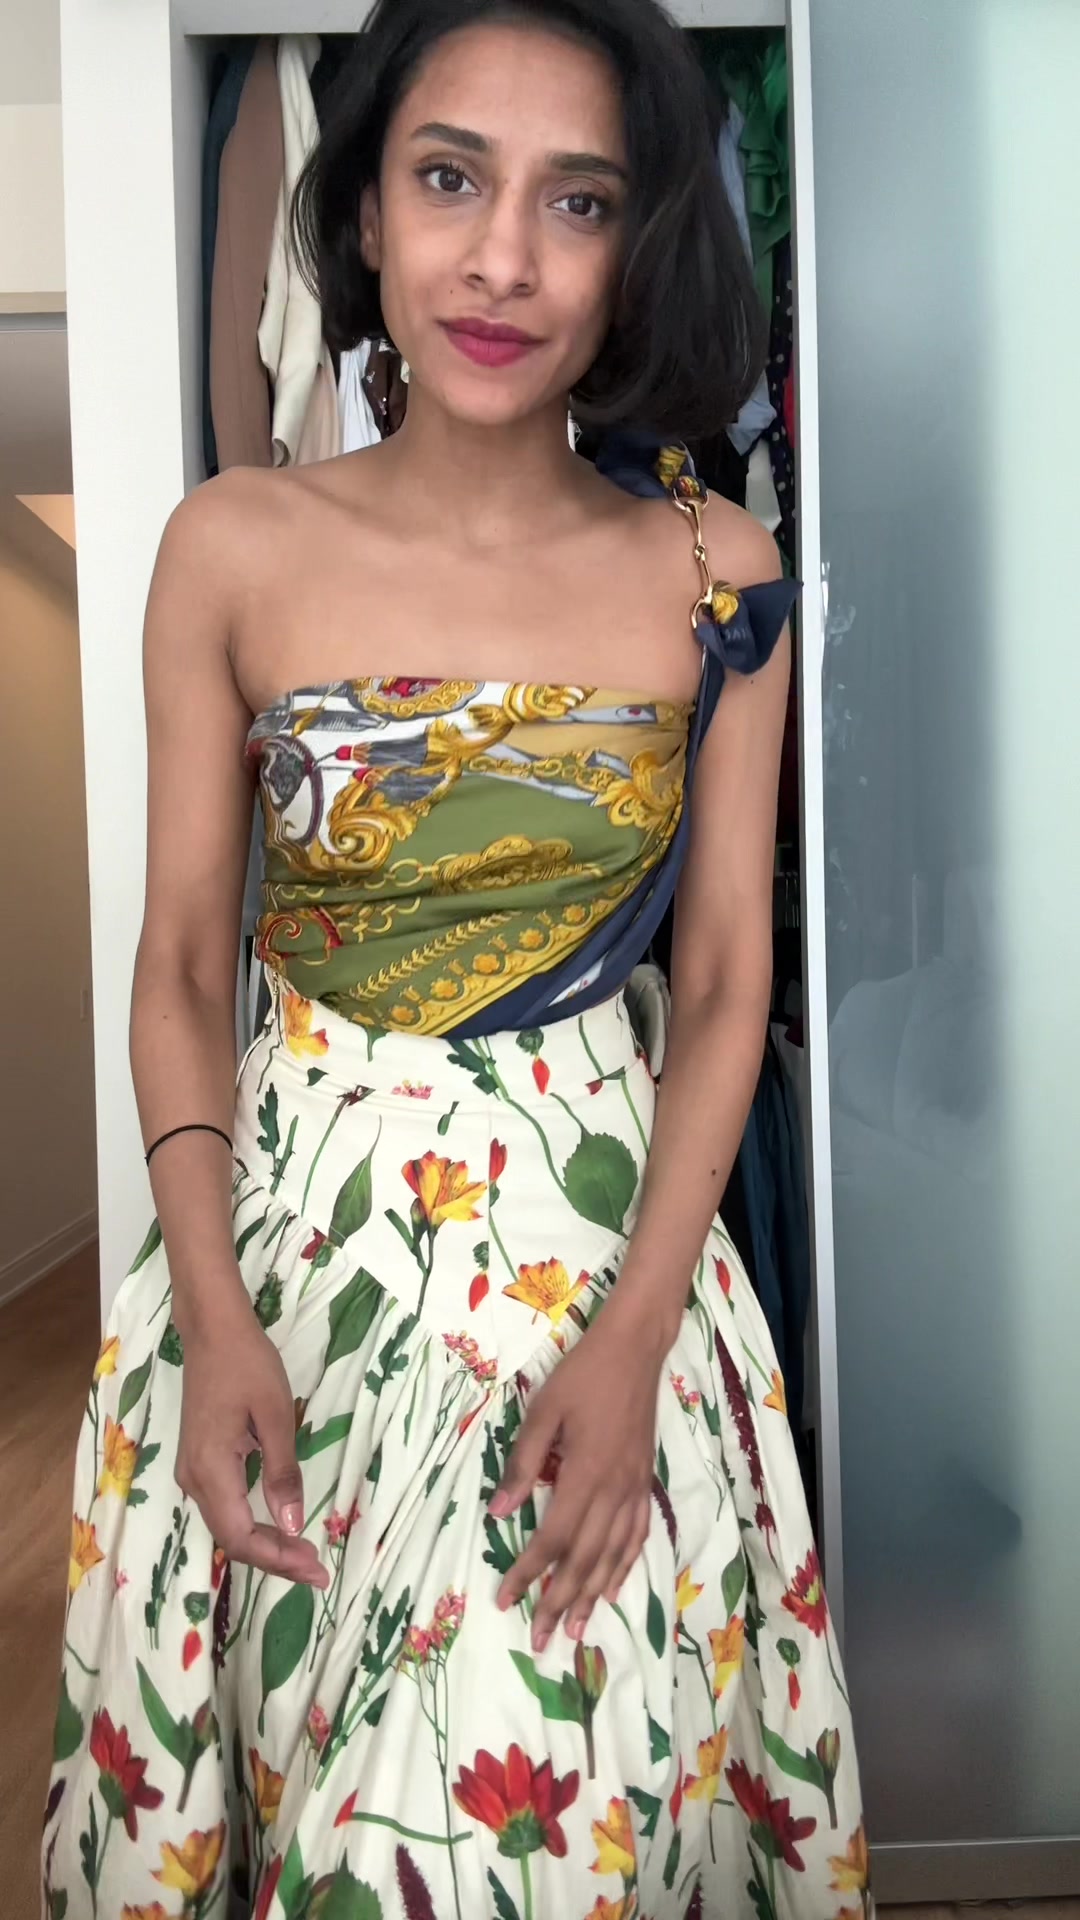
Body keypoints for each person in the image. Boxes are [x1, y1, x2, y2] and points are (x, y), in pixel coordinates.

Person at [43, 3, 872, 1916]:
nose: (503, 259)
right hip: (288, 1271)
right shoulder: (229, 546)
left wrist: (639, 1340)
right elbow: (181, 960)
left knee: (545, 1815)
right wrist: (211, 1310)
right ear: (363, 214)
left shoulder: (715, 567)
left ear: (639, 244)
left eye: (576, 202)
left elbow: (726, 984)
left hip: (605, 1275)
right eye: (448, 179)